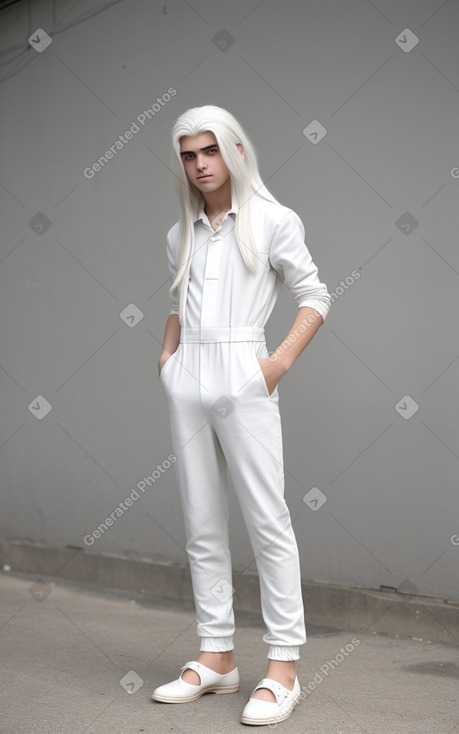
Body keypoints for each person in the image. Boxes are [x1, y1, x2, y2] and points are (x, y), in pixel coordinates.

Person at [152, 105, 331, 726]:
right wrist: (169, 356)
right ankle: (218, 655)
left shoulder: (275, 221)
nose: (200, 165)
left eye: (209, 151)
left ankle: (283, 668)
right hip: (189, 379)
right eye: (188, 155)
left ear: (234, 151)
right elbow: (179, 298)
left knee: (267, 520)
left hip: (246, 371)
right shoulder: (181, 232)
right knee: (202, 522)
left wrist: (274, 365)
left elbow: (315, 293)